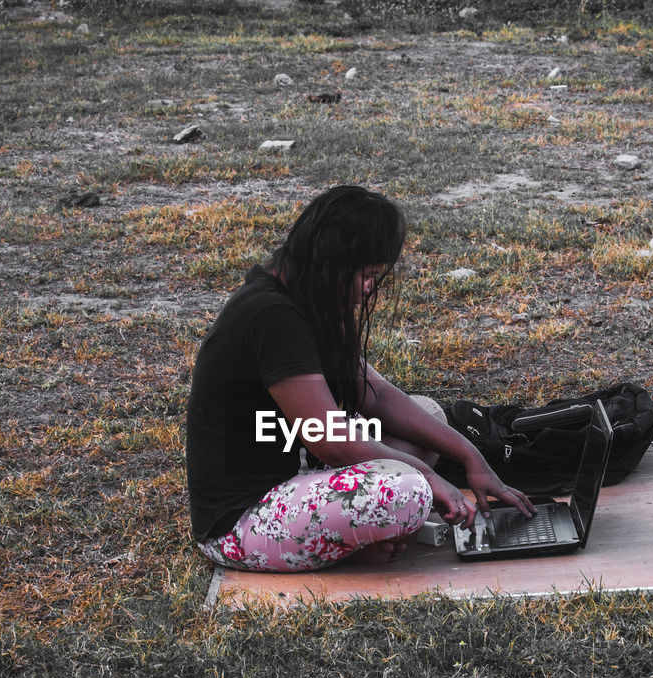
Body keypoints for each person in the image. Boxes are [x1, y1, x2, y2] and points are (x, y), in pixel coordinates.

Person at [186, 185, 534, 572]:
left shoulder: (305, 298)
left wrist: (471, 457)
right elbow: (331, 439)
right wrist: (430, 476)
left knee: (428, 416)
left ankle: (351, 533)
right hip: (243, 522)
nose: (369, 289)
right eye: (366, 275)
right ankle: (348, 542)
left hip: (299, 475)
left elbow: (376, 396)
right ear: (333, 261)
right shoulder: (271, 316)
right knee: (408, 490)